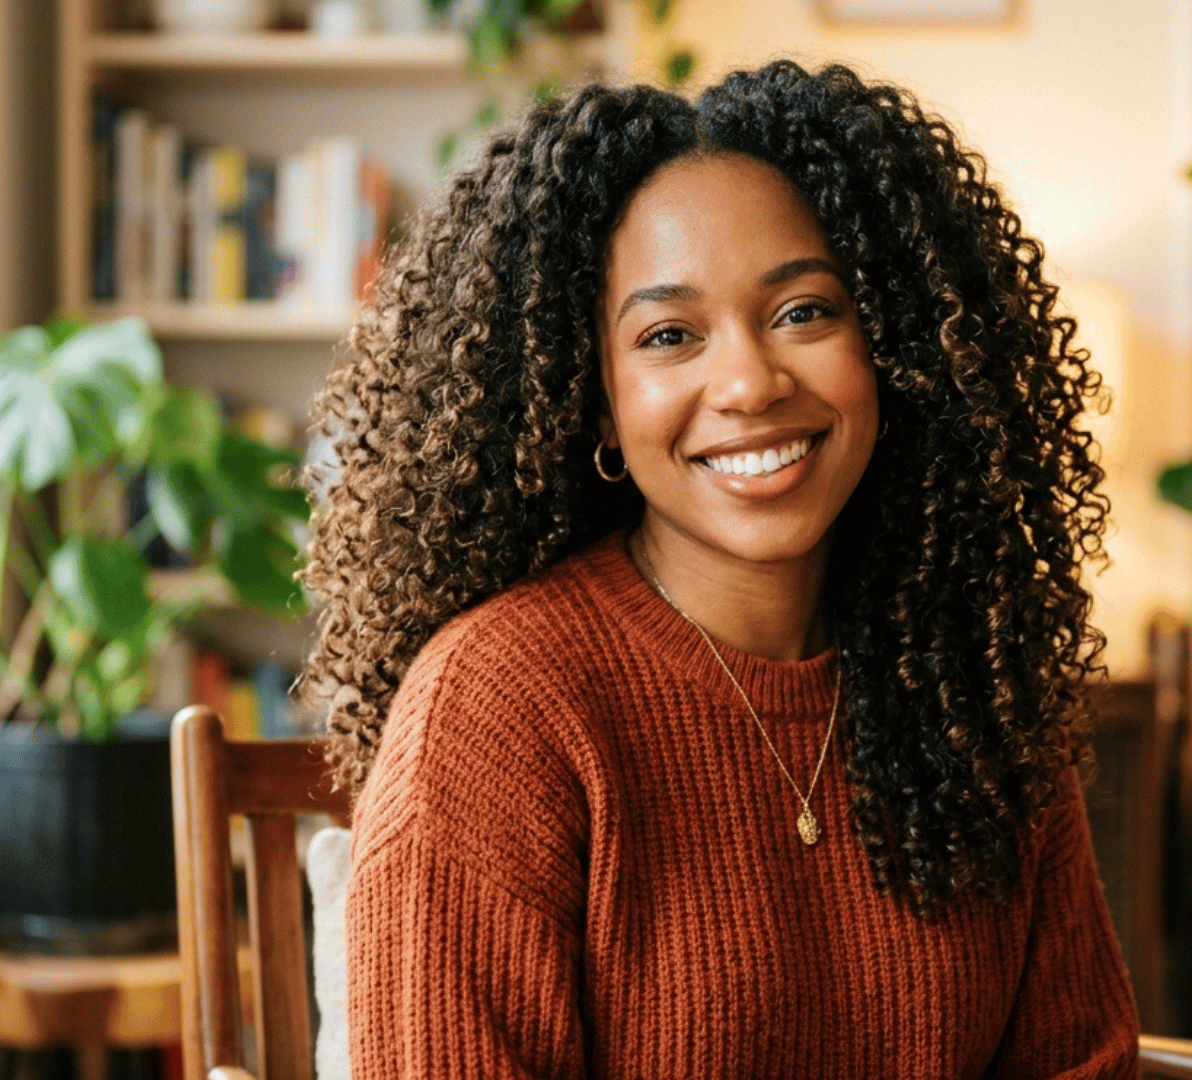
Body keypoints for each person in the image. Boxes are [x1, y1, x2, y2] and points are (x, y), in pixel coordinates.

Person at [301, 61, 1137, 1078]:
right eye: (669, 335)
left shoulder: (970, 667)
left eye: (803, 313)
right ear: (595, 399)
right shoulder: (496, 707)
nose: (747, 381)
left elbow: (1080, 1062)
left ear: (896, 345)